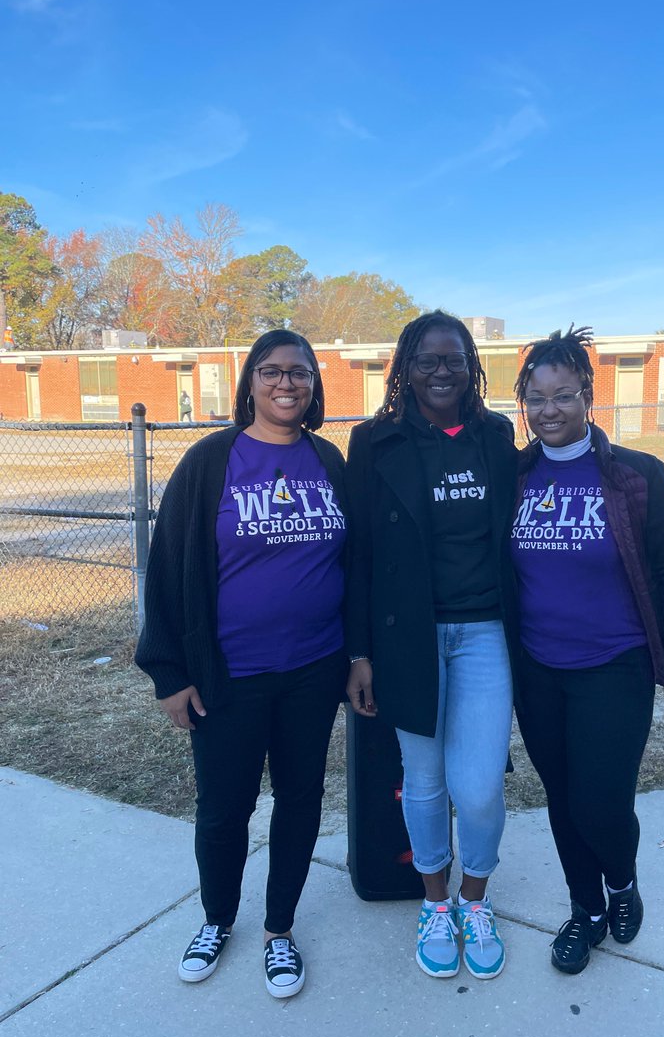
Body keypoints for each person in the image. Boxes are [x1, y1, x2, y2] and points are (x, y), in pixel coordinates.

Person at [135, 329, 348, 999]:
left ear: (314, 384)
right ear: (250, 381)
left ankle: (279, 930)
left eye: (300, 372)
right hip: (230, 675)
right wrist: (170, 672)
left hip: (314, 669)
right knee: (225, 808)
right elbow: (168, 568)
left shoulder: (328, 460)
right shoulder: (211, 461)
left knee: (301, 800)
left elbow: (355, 562)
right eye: (272, 371)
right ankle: (217, 919)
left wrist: (358, 654)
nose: (287, 383)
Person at [510, 326, 664, 975]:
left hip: (614, 667)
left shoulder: (634, 476)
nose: (549, 410)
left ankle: (621, 882)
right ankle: (585, 909)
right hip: (537, 668)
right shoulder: (515, 477)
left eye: (563, 394)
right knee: (562, 798)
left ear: (588, 397)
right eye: (537, 398)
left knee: (601, 802)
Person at [344, 310, 518, 980]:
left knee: (478, 787)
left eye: (454, 360)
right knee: (422, 779)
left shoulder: (496, 436)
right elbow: (359, 554)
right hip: (407, 636)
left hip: (484, 634)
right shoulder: (374, 441)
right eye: (427, 360)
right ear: (406, 369)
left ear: (471, 368)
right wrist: (359, 652)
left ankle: (476, 899)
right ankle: (436, 903)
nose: (441, 372)